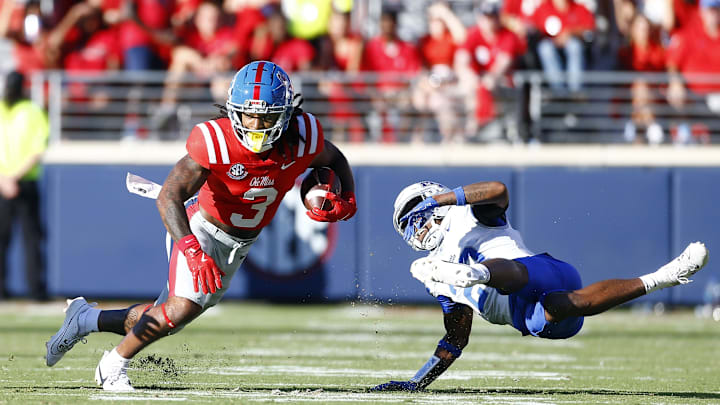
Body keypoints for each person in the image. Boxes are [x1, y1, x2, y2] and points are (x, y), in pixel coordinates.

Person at [45, 60, 357, 391]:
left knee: (168, 316)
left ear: (285, 115)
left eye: (265, 116)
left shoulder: (303, 136)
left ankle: (85, 319)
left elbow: (333, 159)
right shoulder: (216, 141)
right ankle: (113, 366)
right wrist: (192, 249)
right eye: (248, 114)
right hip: (201, 228)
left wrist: (347, 195)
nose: (255, 124)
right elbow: (168, 197)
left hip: (239, 242)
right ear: (233, 110)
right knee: (182, 307)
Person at [371, 180, 708, 391]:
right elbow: (456, 338)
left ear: (432, 198)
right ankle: (662, 278)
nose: (416, 227)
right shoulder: (436, 276)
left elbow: (499, 190)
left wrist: (447, 199)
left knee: (509, 278)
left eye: (416, 213)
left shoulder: (465, 215)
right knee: (556, 308)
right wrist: (417, 382)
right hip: (534, 314)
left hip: (537, 271)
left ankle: (480, 273)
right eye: (407, 226)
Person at [0, 70, 49, 301]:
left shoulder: (32, 111)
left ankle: (35, 290)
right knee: (26, 237)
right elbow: (37, 149)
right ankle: (34, 291)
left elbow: (37, 150)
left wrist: (7, 179)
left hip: (16, 182)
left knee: (31, 238)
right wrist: (9, 179)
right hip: (17, 181)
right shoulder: (32, 111)